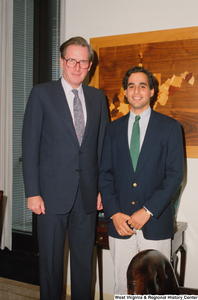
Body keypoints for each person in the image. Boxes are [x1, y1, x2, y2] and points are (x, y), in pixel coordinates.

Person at [22, 36, 109, 300]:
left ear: (90, 64)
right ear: (62, 61)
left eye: (83, 61)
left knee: (84, 265)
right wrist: (32, 192)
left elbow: (102, 148)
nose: (77, 66)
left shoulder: (98, 98)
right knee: (51, 265)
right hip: (49, 196)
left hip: (86, 196)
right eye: (72, 60)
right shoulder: (41, 94)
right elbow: (29, 146)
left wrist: (102, 189)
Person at [99, 66, 184, 295]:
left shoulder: (170, 128)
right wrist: (114, 213)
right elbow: (105, 174)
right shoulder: (112, 130)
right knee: (122, 286)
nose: (137, 91)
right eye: (131, 86)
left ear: (152, 91)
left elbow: (175, 175)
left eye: (142, 86)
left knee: (157, 290)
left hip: (155, 224)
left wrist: (147, 211)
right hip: (120, 224)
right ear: (126, 92)